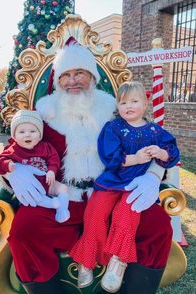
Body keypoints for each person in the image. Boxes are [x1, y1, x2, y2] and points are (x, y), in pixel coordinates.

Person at [3, 37, 173, 294]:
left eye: (80, 73)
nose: (73, 81)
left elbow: (150, 142)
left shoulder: (114, 111)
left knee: (157, 224)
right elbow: (15, 147)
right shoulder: (43, 114)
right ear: (58, 81)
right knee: (25, 230)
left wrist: (154, 174)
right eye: (66, 75)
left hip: (111, 194)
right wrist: (14, 172)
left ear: (92, 77)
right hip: (62, 198)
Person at [69, 81, 180, 292]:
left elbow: (172, 152)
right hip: (113, 180)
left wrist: (161, 153)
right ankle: (87, 259)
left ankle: (117, 262)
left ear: (145, 104)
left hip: (136, 184)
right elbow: (109, 157)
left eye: (134, 101)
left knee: (126, 213)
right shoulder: (113, 127)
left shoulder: (155, 131)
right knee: (95, 211)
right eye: (123, 102)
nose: (128, 106)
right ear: (117, 106)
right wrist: (136, 158)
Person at [0, 110, 70, 223]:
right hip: (29, 187)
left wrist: (52, 171)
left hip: (48, 183)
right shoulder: (13, 150)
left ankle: (62, 209)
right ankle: (52, 203)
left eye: (32, 131)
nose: (27, 134)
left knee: (63, 188)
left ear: (39, 135)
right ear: (14, 136)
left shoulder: (45, 147)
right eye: (21, 132)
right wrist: (7, 165)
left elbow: (54, 158)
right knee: (34, 199)